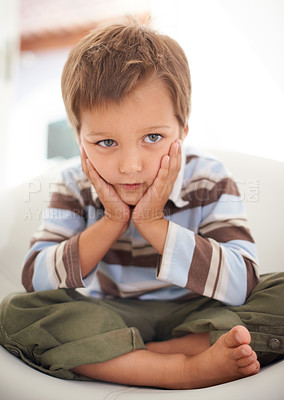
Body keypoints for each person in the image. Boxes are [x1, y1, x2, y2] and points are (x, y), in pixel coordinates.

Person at [0, 18, 283, 390]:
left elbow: (241, 282)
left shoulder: (208, 179)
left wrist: (152, 222)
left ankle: (150, 353)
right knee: (14, 311)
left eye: (152, 136)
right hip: (112, 314)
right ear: (79, 138)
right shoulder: (74, 185)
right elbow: (35, 277)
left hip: (198, 311)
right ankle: (181, 367)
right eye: (105, 142)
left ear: (182, 130)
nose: (130, 165)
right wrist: (112, 221)